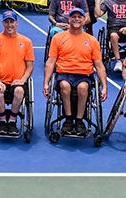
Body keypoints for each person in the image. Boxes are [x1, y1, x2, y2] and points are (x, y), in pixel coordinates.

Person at [41, 8, 107, 137]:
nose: (76, 19)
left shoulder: (92, 40)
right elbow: (50, 62)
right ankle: (69, 118)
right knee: (65, 87)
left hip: (84, 75)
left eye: (79, 17)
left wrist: (104, 87)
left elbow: (99, 65)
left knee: (83, 88)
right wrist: (46, 83)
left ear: (84, 20)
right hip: (64, 74)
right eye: (73, 17)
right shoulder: (58, 38)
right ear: (69, 19)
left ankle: (79, 120)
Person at [0, 10, 35, 137]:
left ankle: (12, 121)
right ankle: (2, 121)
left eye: (11, 22)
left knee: (19, 91)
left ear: (16, 23)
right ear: (3, 23)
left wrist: (22, 80)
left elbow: (30, 66)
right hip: (0, 80)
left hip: (18, 82)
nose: (9, 25)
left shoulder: (26, 42)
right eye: (6, 22)